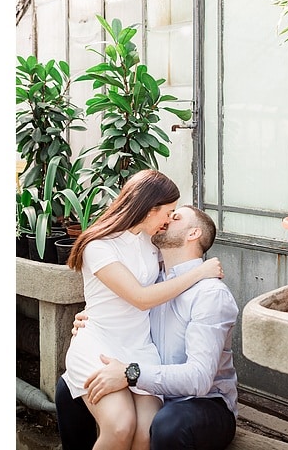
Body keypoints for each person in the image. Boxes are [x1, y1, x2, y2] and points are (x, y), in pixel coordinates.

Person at [60, 171, 224, 450]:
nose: (168, 220)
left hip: (140, 348)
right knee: (120, 425)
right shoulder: (98, 247)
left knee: (146, 431)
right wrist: (201, 272)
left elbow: (181, 257)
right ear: (150, 210)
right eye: (169, 212)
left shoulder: (152, 243)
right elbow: (141, 298)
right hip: (100, 343)